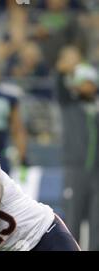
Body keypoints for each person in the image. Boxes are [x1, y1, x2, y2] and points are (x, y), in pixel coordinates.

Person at [56, 46, 99, 250]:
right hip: (75, 169)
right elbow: (60, 77)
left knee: (96, 220)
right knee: (72, 219)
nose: (87, 87)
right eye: (83, 82)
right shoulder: (69, 102)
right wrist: (70, 62)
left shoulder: (96, 109)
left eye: (91, 82)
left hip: (97, 173)